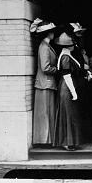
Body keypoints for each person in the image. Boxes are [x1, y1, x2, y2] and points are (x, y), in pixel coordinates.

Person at [52, 30, 84, 151]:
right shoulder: (65, 56)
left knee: (69, 114)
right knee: (68, 114)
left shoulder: (66, 55)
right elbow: (67, 76)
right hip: (67, 87)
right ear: (69, 46)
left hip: (66, 87)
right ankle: (66, 141)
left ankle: (70, 141)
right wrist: (74, 92)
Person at [30, 18, 58, 146]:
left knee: (47, 112)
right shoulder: (44, 47)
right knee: (45, 113)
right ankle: (44, 140)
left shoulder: (46, 46)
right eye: (52, 31)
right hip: (45, 83)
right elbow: (45, 67)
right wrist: (57, 69)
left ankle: (47, 139)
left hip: (46, 83)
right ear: (48, 33)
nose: (53, 33)